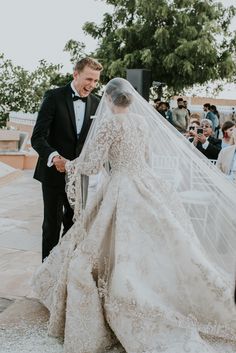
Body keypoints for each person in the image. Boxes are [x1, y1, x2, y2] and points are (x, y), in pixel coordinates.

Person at [33, 78, 236, 353]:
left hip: (121, 186)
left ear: (108, 100)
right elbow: (146, 157)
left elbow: (91, 165)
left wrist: (68, 164)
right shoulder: (141, 122)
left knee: (111, 245)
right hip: (145, 182)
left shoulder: (109, 124)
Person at [31, 57, 103, 261]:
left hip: (80, 176)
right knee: (51, 226)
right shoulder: (53, 97)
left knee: (74, 226)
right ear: (76, 74)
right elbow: (38, 137)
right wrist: (54, 157)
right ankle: (47, 273)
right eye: (88, 79)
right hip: (53, 174)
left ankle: (64, 269)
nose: (92, 85)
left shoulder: (98, 104)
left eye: (96, 81)